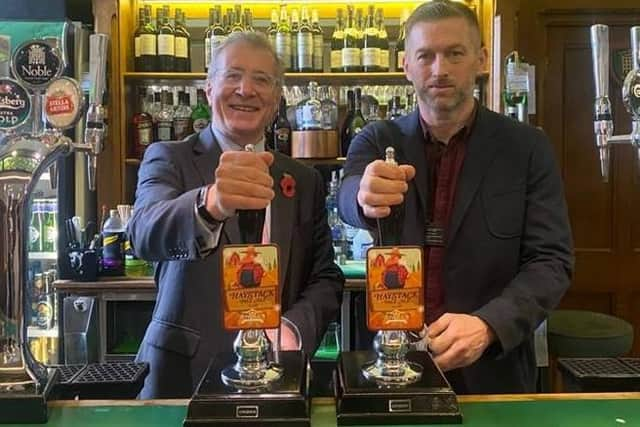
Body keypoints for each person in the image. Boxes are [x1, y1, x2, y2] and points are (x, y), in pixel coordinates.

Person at [338, 0, 573, 394]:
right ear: (405, 66)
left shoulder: (528, 148)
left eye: (455, 54)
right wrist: (362, 196)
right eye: (425, 55)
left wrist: (489, 324)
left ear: (481, 59)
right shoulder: (377, 139)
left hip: (493, 370)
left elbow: (552, 260)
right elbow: (348, 195)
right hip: (391, 366)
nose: (439, 69)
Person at [128, 31, 344, 399]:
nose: (246, 89)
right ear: (208, 89)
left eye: (262, 80)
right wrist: (210, 203)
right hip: (183, 376)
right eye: (232, 76)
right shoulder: (170, 157)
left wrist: (292, 328)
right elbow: (144, 234)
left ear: (277, 99)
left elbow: (325, 277)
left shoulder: (303, 179)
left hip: (277, 374)